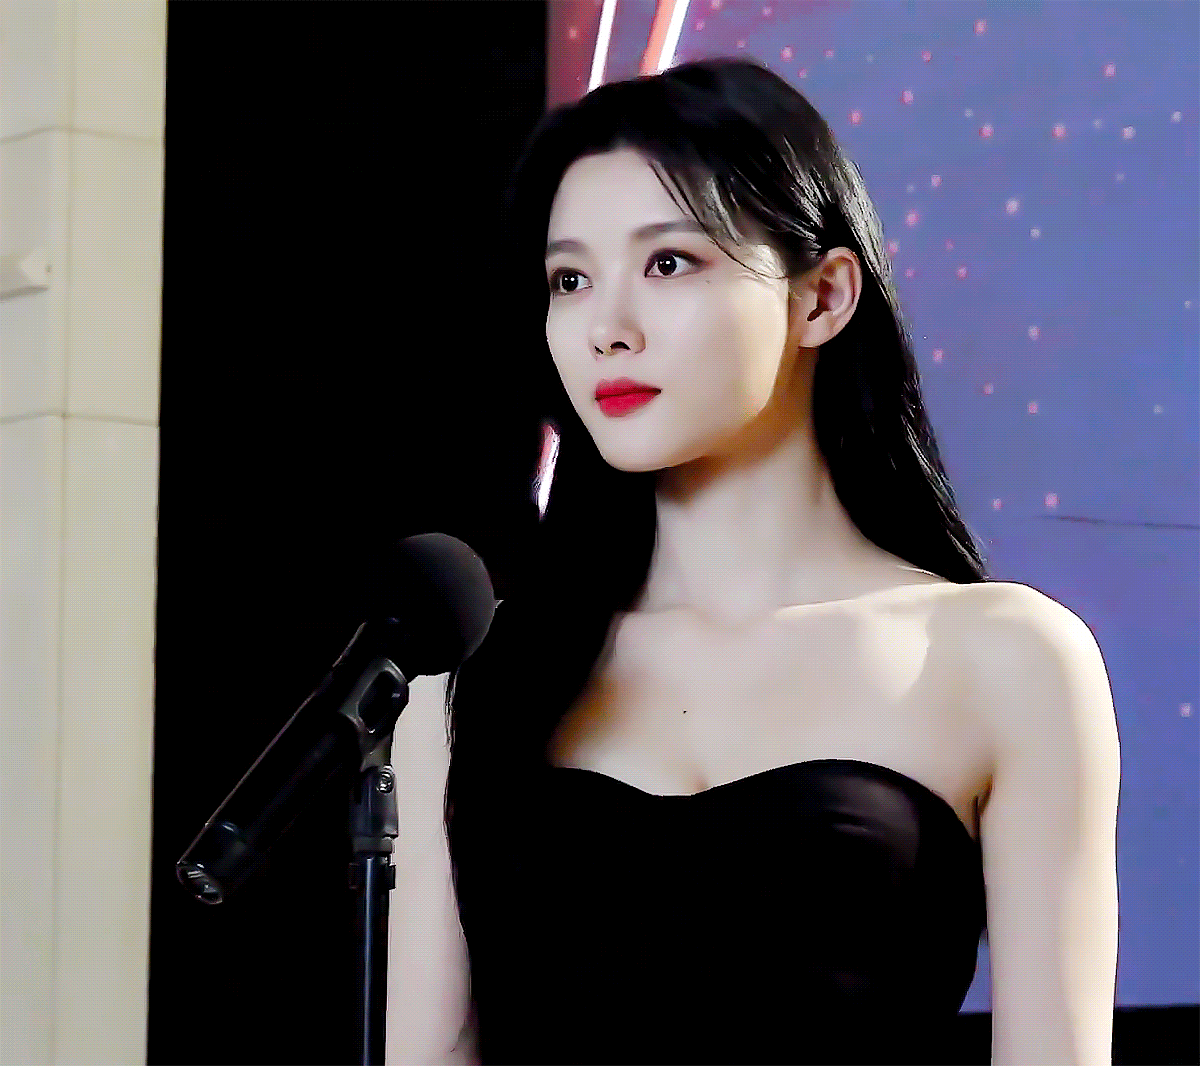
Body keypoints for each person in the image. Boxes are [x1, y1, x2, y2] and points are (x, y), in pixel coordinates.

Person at [387, 58, 1120, 1066]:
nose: (607, 330)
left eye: (669, 262)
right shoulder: (473, 680)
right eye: (570, 280)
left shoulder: (1006, 656)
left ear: (824, 297)